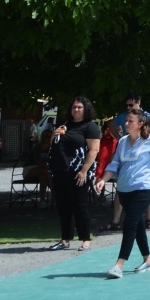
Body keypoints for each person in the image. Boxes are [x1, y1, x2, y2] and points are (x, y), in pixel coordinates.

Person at [101, 110, 150, 278]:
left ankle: (119, 264)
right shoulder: (121, 142)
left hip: (143, 188)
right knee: (137, 225)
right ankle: (148, 259)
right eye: (126, 121)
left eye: (130, 121)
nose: (126, 124)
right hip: (125, 189)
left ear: (140, 124)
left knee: (129, 222)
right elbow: (114, 163)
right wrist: (103, 180)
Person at [46, 96, 101, 251]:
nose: (76, 110)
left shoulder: (90, 127)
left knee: (79, 205)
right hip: (61, 170)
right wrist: (53, 135)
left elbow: (94, 150)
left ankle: (85, 239)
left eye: (79, 107)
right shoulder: (65, 125)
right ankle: (65, 239)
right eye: (74, 107)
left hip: (78, 172)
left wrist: (84, 170)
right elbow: (52, 145)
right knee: (63, 206)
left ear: (86, 110)